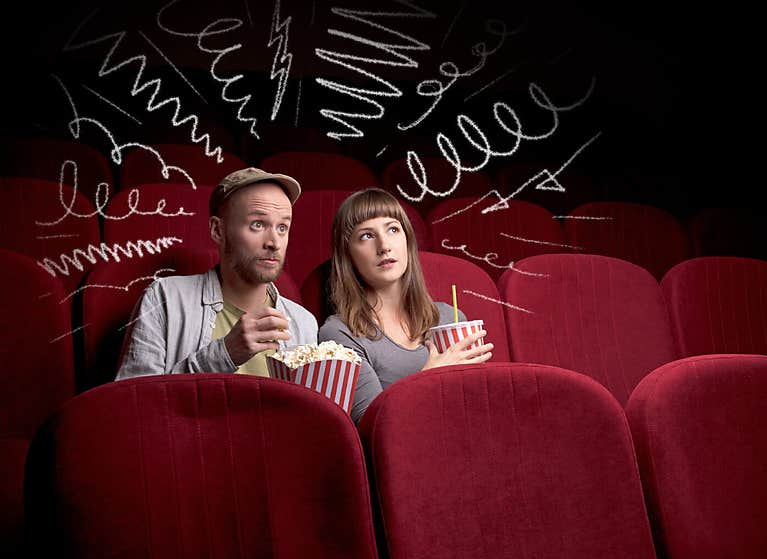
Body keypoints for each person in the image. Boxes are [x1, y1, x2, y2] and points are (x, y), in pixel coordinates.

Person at [116, 167, 318, 379]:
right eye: (257, 224)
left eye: (282, 228)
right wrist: (225, 353)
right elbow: (136, 404)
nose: (274, 243)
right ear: (217, 230)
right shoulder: (165, 298)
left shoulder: (303, 323)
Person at [318, 187, 493, 423]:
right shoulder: (339, 334)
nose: (384, 246)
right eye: (366, 236)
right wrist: (429, 378)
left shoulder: (450, 318)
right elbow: (375, 427)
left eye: (392, 229)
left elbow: (477, 410)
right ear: (347, 255)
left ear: (407, 242)